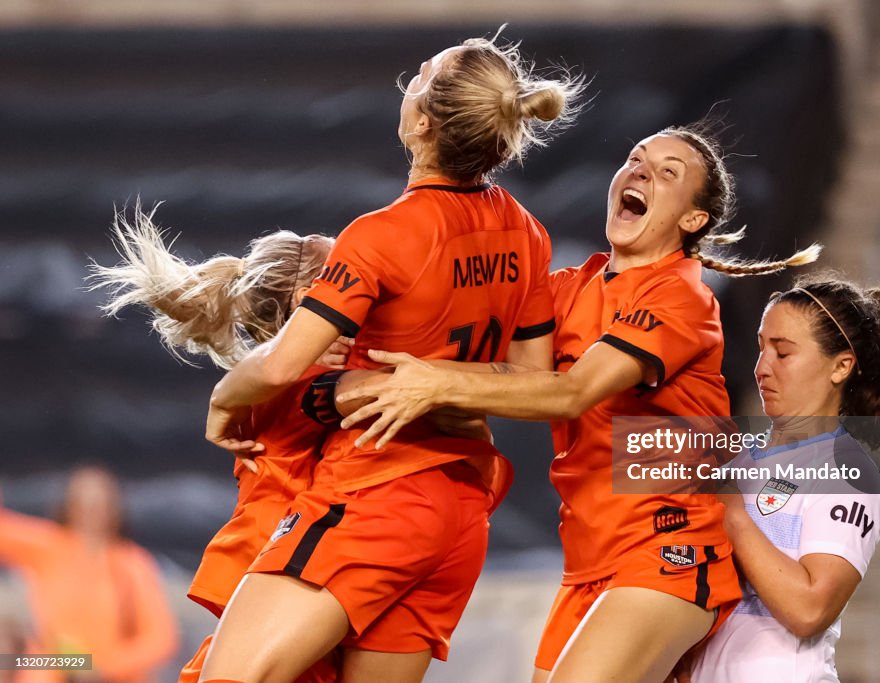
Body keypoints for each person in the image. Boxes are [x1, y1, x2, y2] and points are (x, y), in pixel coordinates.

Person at [336, 124, 820, 683]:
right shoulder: (569, 287)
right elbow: (500, 369)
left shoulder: (680, 296)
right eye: (636, 158)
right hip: (588, 563)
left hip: (668, 548)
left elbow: (570, 394)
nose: (641, 171)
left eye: (668, 173)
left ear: (693, 220)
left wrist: (434, 383)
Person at [200, 33, 583, 683]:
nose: (410, 78)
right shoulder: (527, 229)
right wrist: (444, 382)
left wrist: (221, 403)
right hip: (462, 512)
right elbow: (535, 380)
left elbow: (278, 368)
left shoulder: (383, 235)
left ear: (424, 121)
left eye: (422, 73)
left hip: (376, 493)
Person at [88, 206, 345, 683]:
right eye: (347, 277)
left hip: (294, 559)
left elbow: (153, 641)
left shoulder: (277, 372)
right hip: (290, 563)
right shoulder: (293, 373)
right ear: (310, 297)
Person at [688, 276, 880, 681]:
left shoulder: (847, 473)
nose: (762, 368)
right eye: (761, 348)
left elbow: (809, 610)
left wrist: (733, 516)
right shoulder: (734, 462)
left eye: (782, 353)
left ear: (840, 366)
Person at [0, 466, 179, 683]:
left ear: (114, 508)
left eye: (98, 504)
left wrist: (101, 668)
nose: (90, 511)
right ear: (69, 505)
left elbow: (160, 639)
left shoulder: (132, 563)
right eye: (82, 502)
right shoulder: (50, 546)